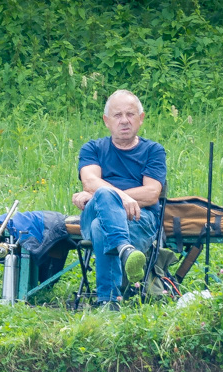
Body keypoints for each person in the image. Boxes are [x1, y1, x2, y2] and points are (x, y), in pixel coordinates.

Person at [73, 89, 166, 308]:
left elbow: (152, 193)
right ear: (106, 121)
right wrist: (120, 197)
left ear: (141, 119)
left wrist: (101, 194)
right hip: (98, 212)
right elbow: (90, 182)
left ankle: (109, 302)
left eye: (130, 114)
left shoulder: (153, 151)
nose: (124, 121)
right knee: (104, 195)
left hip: (139, 220)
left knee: (100, 226)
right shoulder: (93, 148)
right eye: (117, 115)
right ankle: (124, 249)